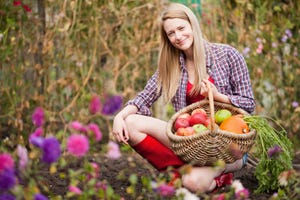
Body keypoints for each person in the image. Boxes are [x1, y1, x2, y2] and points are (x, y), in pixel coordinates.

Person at [112, 2, 255, 193]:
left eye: (181, 28)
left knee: (192, 183)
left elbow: (249, 103)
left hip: (225, 146)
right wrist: (119, 117)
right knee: (130, 123)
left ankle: (216, 178)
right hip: (189, 141)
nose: (178, 36)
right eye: (171, 33)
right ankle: (179, 173)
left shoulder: (227, 55)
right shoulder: (171, 66)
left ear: (192, 25)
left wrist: (218, 96)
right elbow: (144, 97)